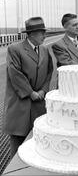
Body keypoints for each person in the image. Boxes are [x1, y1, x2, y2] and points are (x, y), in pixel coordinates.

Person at [3, 17, 53, 158]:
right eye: (41, 33)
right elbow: (15, 74)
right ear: (30, 34)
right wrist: (30, 93)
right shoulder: (15, 49)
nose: (45, 36)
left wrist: (43, 90)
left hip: (39, 103)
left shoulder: (44, 49)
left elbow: (49, 71)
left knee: (38, 144)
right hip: (21, 104)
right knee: (18, 146)